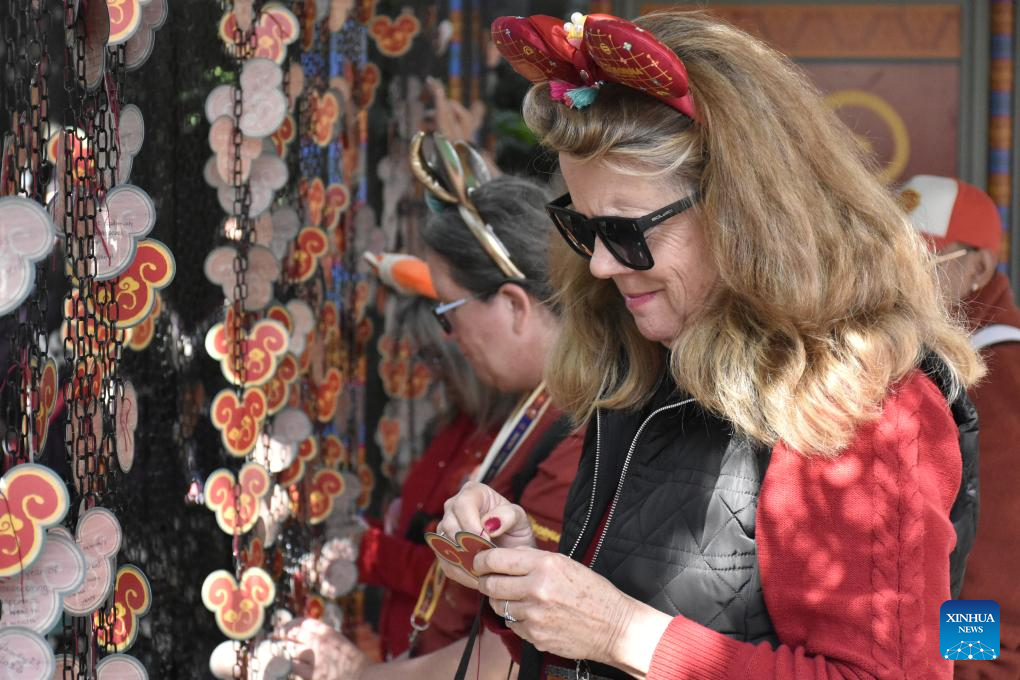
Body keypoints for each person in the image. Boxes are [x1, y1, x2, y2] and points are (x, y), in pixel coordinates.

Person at [437, 10, 983, 680]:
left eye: (627, 231)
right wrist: (529, 581)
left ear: (744, 215)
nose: (601, 265)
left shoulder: (861, 400)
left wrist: (621, 631)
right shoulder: (650, 355)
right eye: (583, 229)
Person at [284, 171, 584, 678]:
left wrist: (358, 675)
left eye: (448, 312)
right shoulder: (541, 411)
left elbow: (511, 662)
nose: (449, 337)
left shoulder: (575, 434)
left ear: (514, 306)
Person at [357, 252, 518, 658]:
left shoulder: (514, 439)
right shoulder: (456, 423)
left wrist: (369, 551)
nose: (431, 370)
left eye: (434, 356)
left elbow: (460, 576)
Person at [901, 175, 1020, 680]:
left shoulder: (1000, 372)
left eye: (924, 262)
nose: (902, 280)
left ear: (980, 268)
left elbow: (993, 552)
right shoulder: (941, 357)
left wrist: (972, 666)